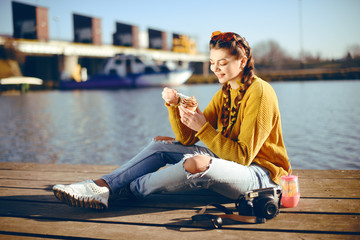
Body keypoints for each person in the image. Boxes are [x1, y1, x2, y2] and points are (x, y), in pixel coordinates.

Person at [53, 31, 291, 210]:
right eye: (212, 63)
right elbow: (186, 138)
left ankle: (126, 189)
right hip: (234, 163)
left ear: (242, 61)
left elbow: (243, 156)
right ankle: (102, 185)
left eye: (223, 63)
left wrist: (203, 127)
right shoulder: (226, 92)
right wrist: (175, 106)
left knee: (197, 164)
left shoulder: (260, 92)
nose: (216, 69)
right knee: (161, 145)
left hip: (262, 176)